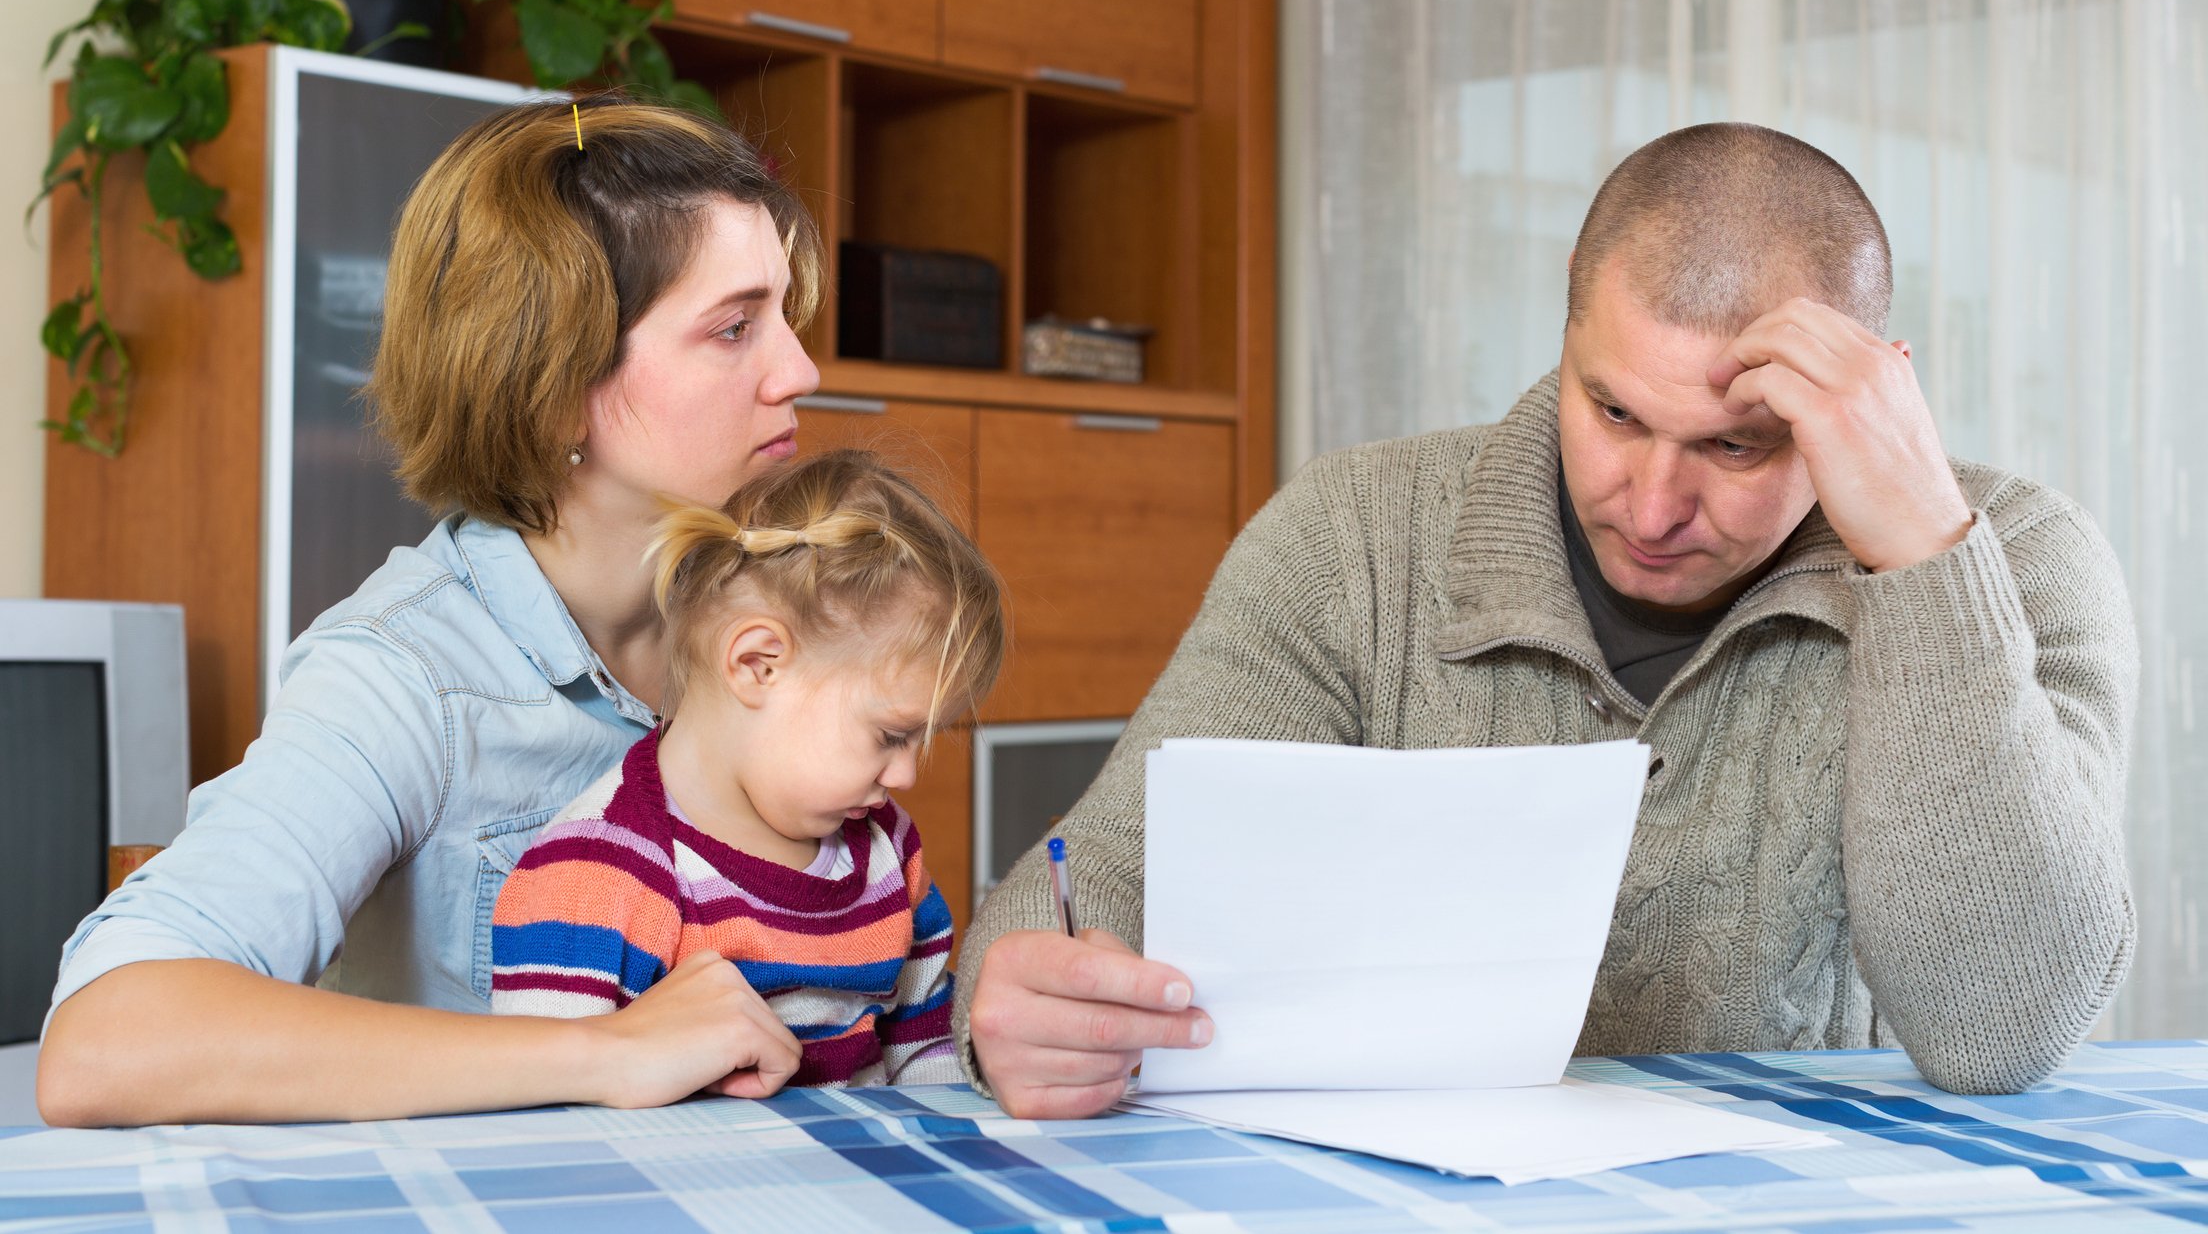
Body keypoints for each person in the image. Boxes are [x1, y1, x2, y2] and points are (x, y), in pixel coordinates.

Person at [955, 122, 2139, 1119]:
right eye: (1615, 412)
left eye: (1737, 442)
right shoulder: (1353, 533)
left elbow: (2004, 1029)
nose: (1658, 504)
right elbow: (1088, 886)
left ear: (1871, 389)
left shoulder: (2022, 562)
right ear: (1567, 336)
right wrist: (1020, 1000)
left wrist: (1928, 556)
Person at [38, 98, 831, 1125]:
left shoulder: (788, 615)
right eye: (734, 327)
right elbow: (106, 1040)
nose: (800, 369)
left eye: (783, 315)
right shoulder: (404, 675)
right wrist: (596, 1051)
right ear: (553, 386)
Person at [488, 450, 1005, 1088]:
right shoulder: (595, 877)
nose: (904, 775)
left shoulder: (886, 849)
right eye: (891, 735)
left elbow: (926, 1049)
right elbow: (550, 1094)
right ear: (758, 664)